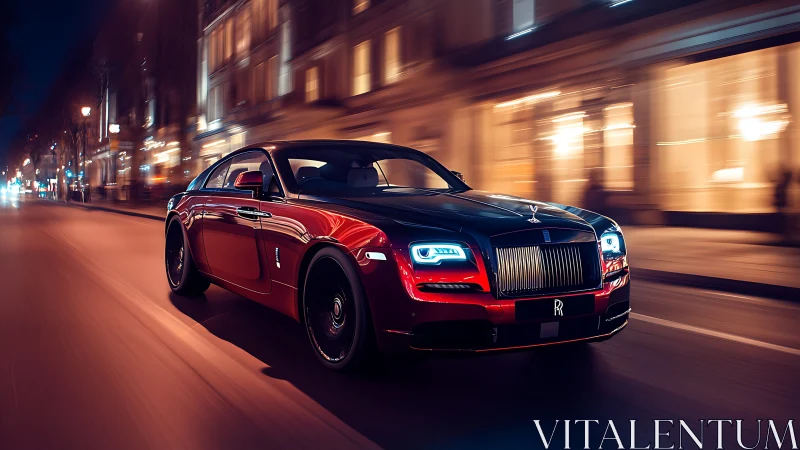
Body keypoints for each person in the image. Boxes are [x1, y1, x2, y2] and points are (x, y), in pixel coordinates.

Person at [773, 168, 792, 242]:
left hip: (782, 204)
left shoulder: (781, 185)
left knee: (782, 217)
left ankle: (782, 230)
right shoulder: (782, 185)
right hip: (782, 204)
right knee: (782, 217)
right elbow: (778, 195)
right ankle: (782, 230)